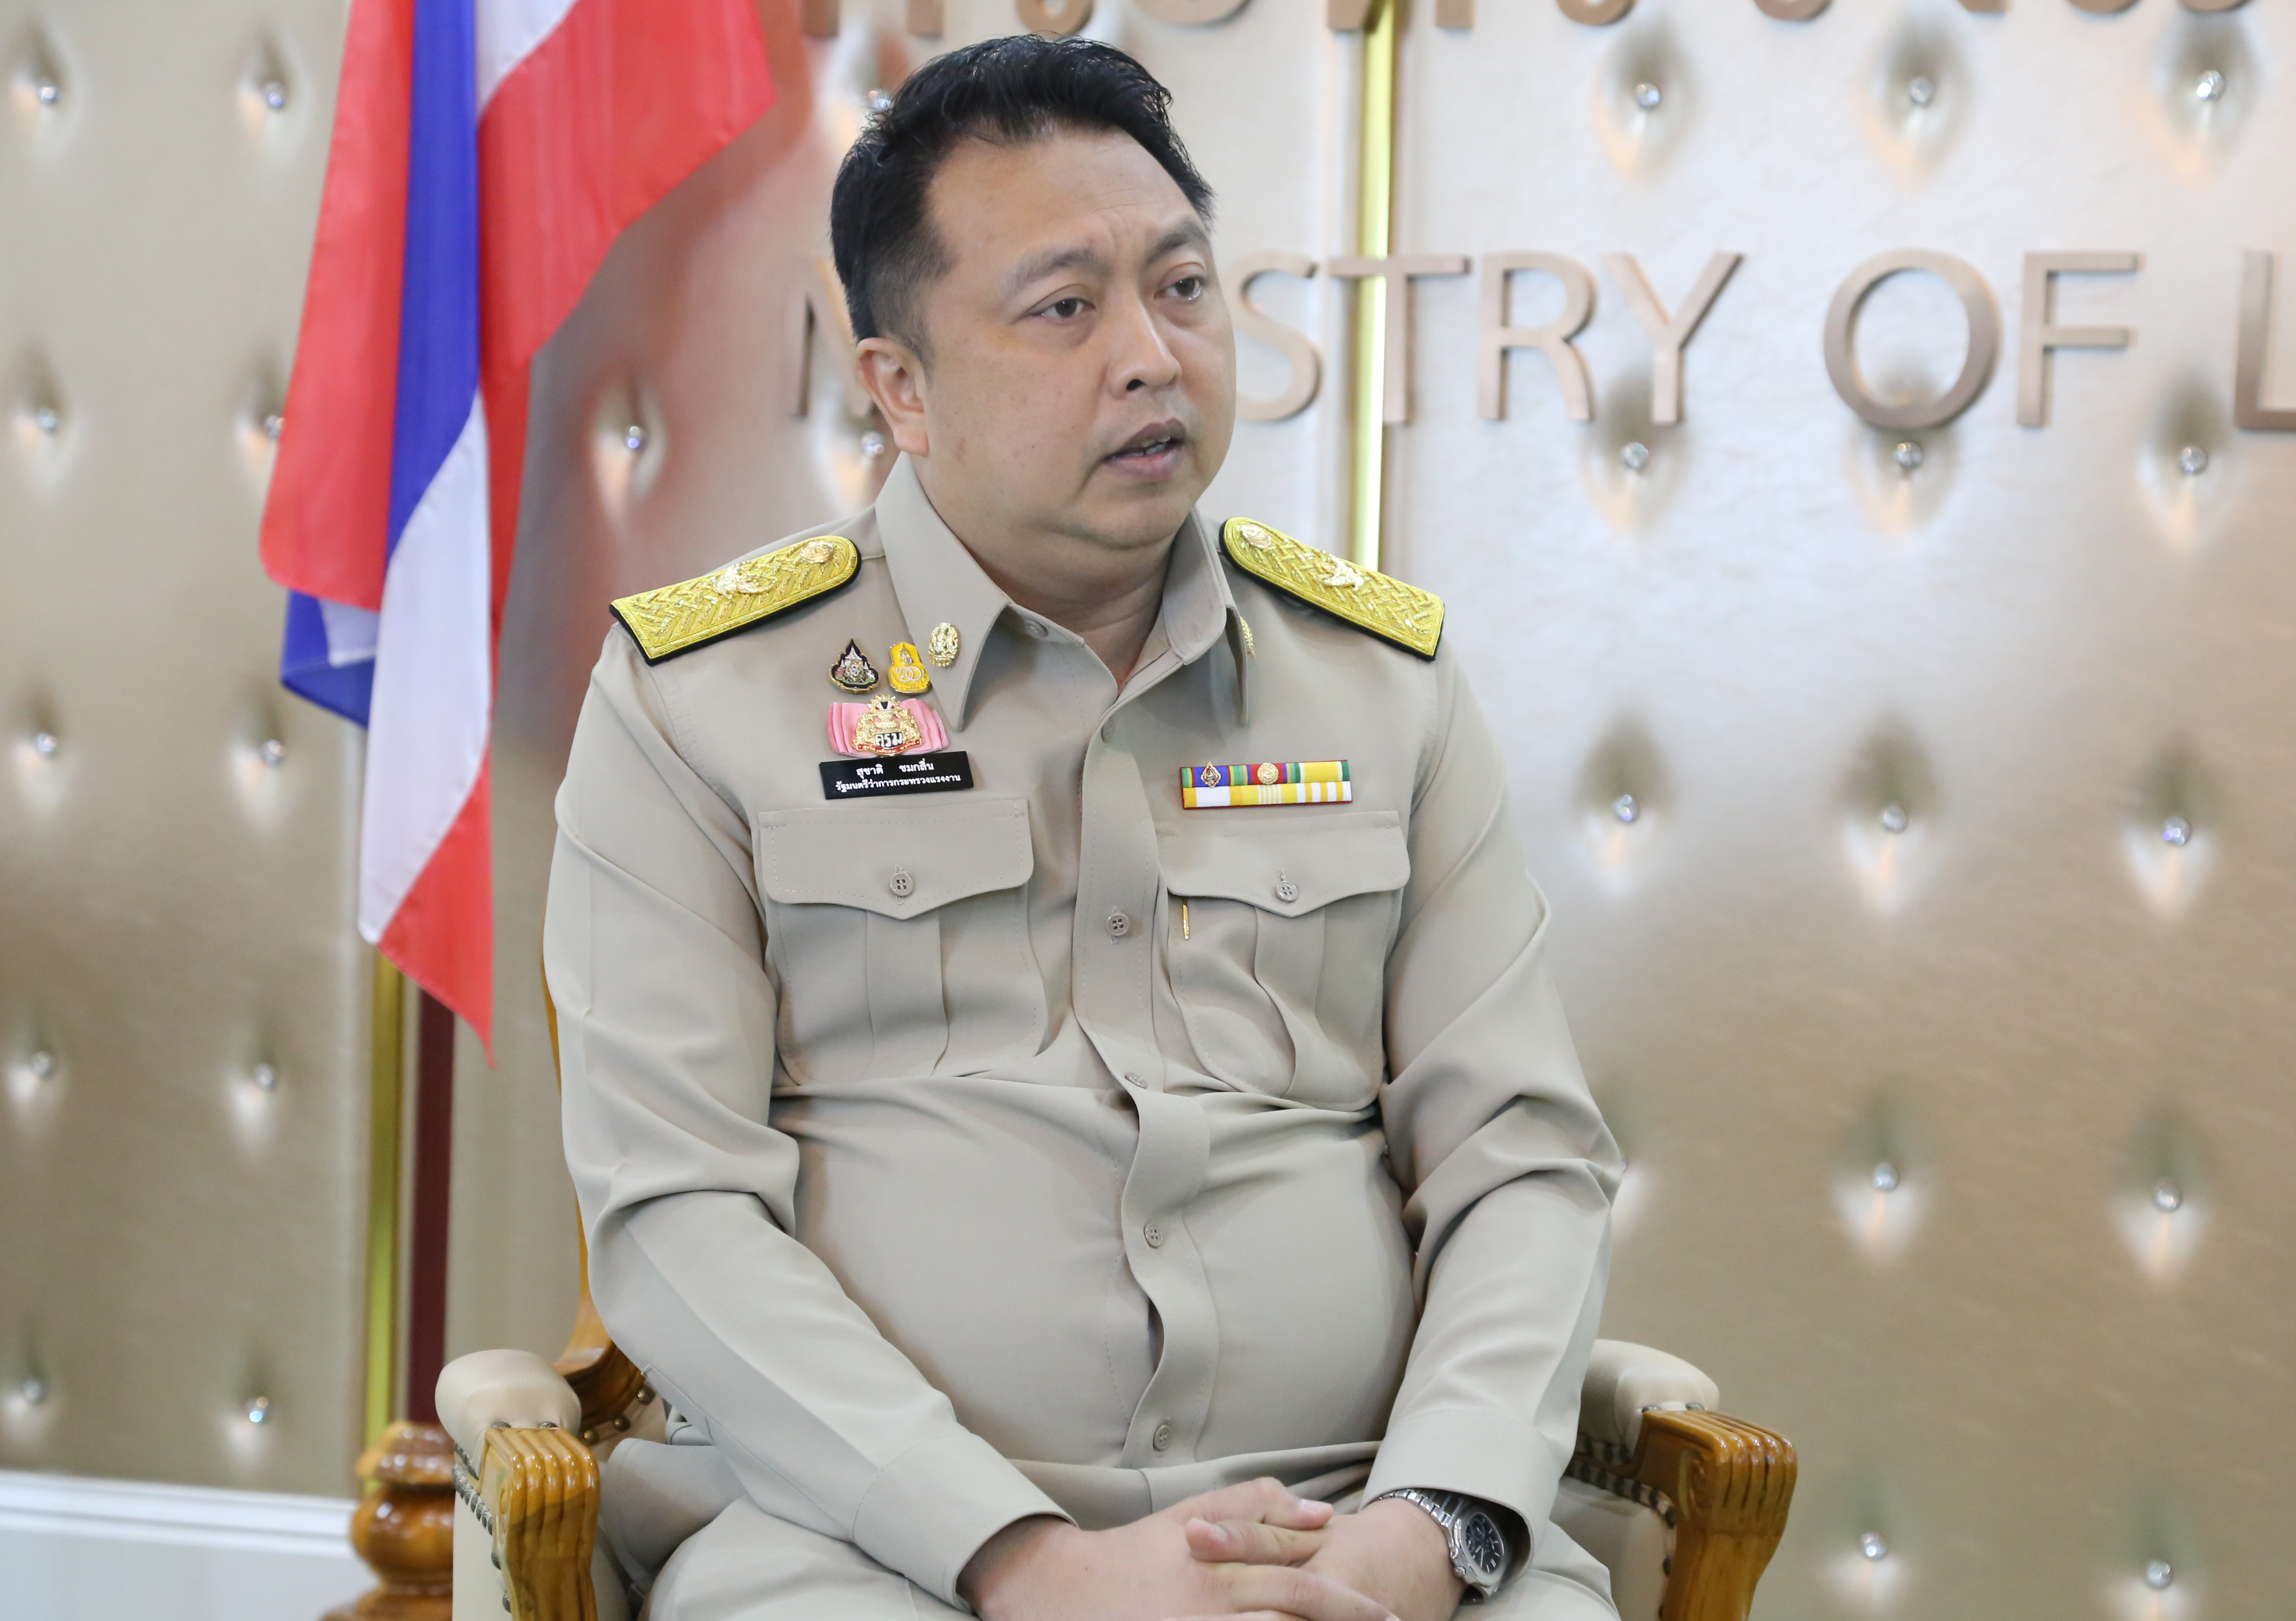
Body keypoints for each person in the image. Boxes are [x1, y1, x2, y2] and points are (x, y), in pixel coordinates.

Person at [547, 34, 1623, 1621]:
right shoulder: (702, 699)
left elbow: (1521, 1159)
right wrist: (1025, 1562)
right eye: (1065, 309)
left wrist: (1424, 1528)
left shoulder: (1381, 682)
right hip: (870, 1544)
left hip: (1345, 1513)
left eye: (1182, 289)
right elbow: (674, 1211)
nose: (1151, 357)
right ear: (900, 388)